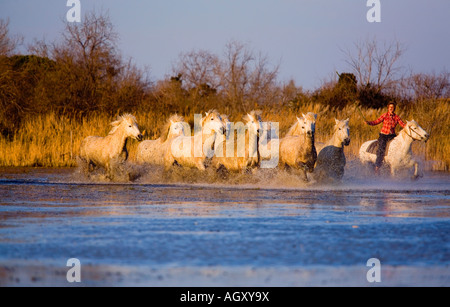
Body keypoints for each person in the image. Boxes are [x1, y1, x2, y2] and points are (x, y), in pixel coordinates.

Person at [365, 102, 406, 174]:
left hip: (392, 135)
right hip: (384, 135)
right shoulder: (385, 115)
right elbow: (376, 121)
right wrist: (369, 123)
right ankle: (377, 166)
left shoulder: (396, 117)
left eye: (392, 107)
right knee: (381, 148)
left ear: (394, 108)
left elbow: (403, 125)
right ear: (388, 108)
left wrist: (411, 127)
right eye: (390, 107)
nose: (391, 109)